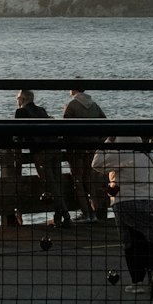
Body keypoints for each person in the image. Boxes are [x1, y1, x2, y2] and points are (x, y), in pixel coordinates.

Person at [92, 136, 153, 293]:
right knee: (147, 236)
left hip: (125, 200)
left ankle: (137, 282)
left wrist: (107, 142)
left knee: (131, 241)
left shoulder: (119, 153)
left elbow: (96, 164)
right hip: (149, 199)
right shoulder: (148, 152)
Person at [15, 87, 69, 227]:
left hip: (41, 151)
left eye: (18, 98)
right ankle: (59, 217)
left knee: (51, 185)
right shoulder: (42, 110)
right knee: (57, 183)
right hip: (55, 148)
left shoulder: (21, 112)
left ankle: (66, 215)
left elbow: (19, 134)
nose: (17, 101)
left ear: (22, 99)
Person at [62, 81, 106, 222]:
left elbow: (65, 127)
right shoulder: (94, 105)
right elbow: (105, 123)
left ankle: (86, 212)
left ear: (73, 89)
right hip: (92, 146)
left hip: (76, 147)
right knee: (89, 178)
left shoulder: (72, 105)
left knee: (78, 180)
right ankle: (94, 211)